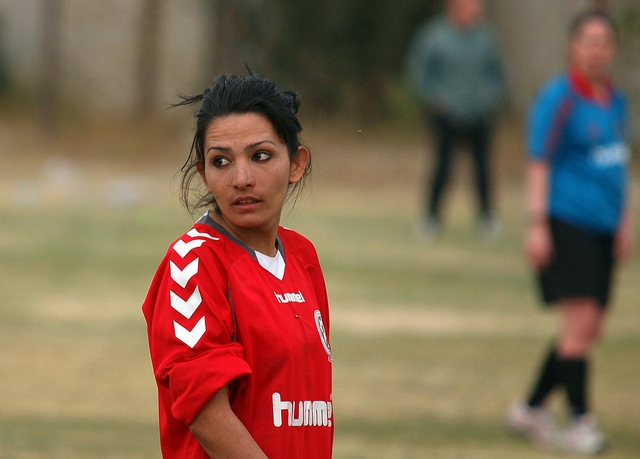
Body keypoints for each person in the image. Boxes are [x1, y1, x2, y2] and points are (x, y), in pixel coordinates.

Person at [142, 75, 334, 458]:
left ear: (296, 163)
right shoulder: (194, 262)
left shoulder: (302, 257)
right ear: (204, 175)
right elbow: (207, 414)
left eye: (260, 156)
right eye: (221, 161)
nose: (241, 178)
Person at [507, 10, 634, 455]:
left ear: (613, 49)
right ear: (573, 46)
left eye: (604, 41)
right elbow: (538, 159)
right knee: (579, 325)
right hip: (567, 222)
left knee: (587, 328)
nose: (596, 49)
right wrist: (538, 224)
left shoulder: (615, 100)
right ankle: (581, 421)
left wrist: (624, 222)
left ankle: (530, 407)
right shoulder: (558, 98)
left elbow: (620, 165)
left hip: (603, 227)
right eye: (588, 40)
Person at [406, 0, 506, 239]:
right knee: (443, 167)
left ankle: (487, 218)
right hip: (447, 115)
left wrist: (489, 100)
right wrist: (433, 98)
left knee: (482, 168)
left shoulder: (486, 39)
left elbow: (499, 75)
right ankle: (431, 218)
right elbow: (418, 70)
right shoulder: (435, 36)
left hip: (479, 115)